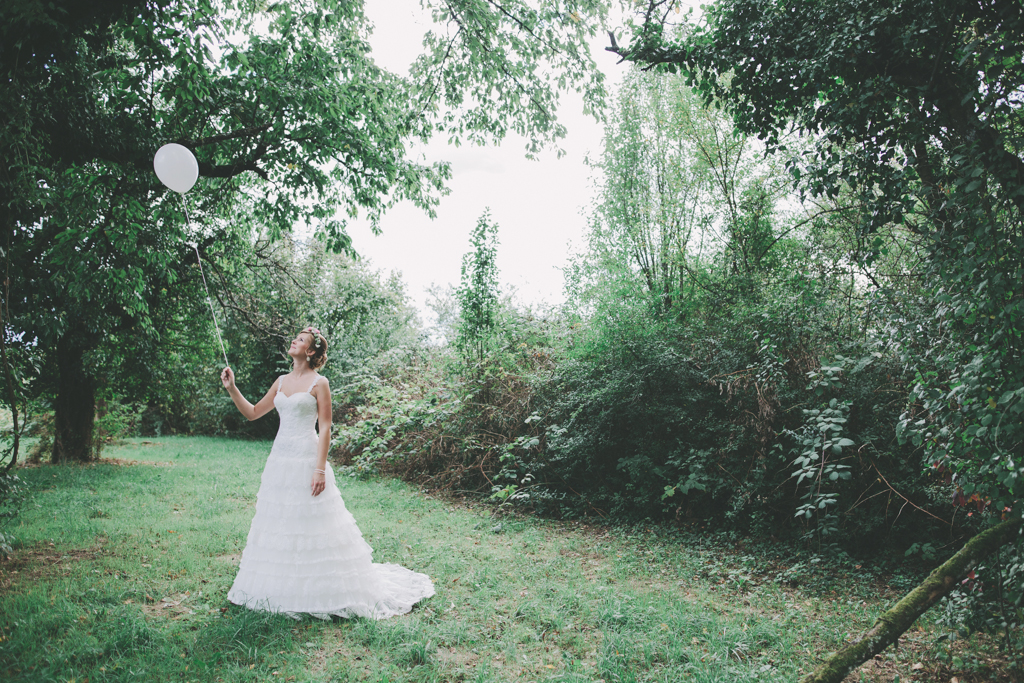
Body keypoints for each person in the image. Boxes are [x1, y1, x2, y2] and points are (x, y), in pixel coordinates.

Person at [219, 327, 435, 619]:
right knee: (281, 521)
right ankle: (283, 585)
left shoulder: (320, 383)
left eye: (300, 340)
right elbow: (254, 412)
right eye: (295, 338)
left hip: (308, 459)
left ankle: (321, 586)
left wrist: (320, 469)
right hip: (280, 460)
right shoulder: (281, 381)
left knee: (314, 523)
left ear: (310, 352)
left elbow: (326, 427)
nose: (293, 341)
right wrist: (232, 387)